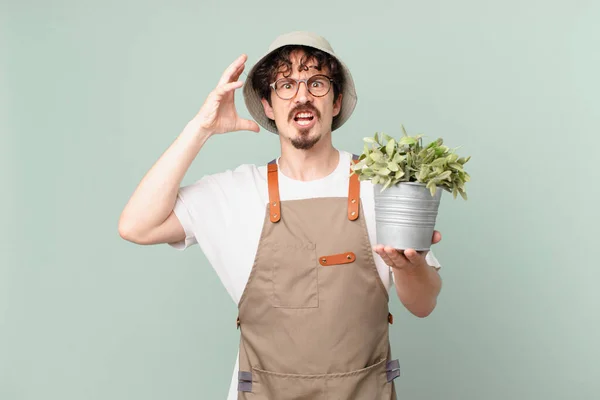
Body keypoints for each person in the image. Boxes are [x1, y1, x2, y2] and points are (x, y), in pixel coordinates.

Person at [119, 31, 443, 400]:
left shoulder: (383, 186)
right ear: (269, 105)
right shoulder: (236, 193)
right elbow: (136, 225)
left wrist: (409, 267)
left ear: (336, 101)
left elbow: (423, 304)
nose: (302, 95)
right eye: (286, 84)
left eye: (316, 82)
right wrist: (201, 128)